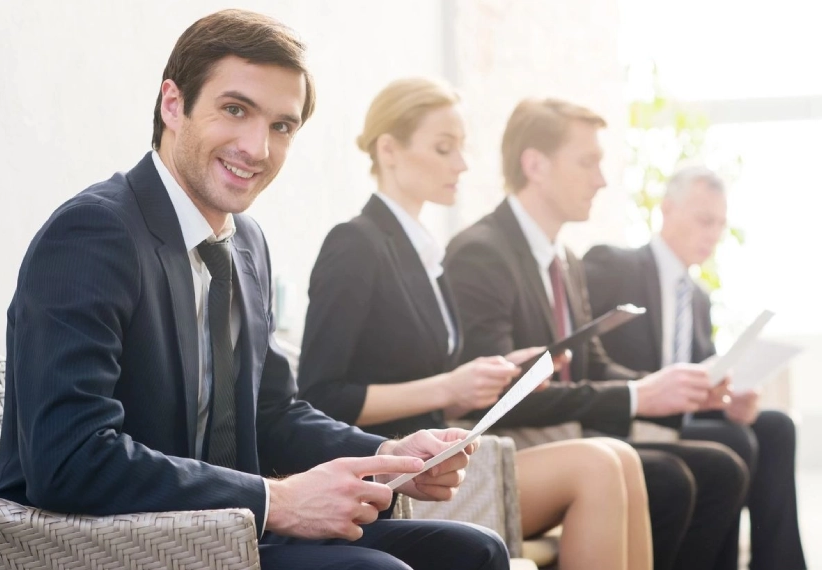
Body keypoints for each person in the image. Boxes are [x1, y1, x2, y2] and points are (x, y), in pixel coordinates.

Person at [0, 10, 509, 570]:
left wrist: (386, 454)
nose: (257, 148)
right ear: (172, 104)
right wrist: (276, 500)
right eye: (235, 110)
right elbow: (69, 458)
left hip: (224, 525)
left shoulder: (246, 243)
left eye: (282, 126)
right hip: (112, 542)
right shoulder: (94, 233)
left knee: (474, 552)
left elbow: (275, 414)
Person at [298, 77, 653, 570]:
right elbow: (321, 394)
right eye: (444, 149)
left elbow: (433, 372)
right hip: (391, 476)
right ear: (389, 150)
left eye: (461, 149)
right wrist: (449, 387)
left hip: (439, 461)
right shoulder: (355, 244)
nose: (461, 165)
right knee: (597, 466)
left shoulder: (424, 255)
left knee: (621, 458)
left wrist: (499, 371)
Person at [443, 98, 750, 570]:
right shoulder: (481, 252)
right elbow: (498, 398)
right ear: (535, 165)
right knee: (675, 478)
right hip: (518, 442)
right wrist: (636, 395)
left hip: (569, 432)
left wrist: (671, 390)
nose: (602, 180)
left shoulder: (564, 258)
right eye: (588, 162)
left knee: (721, 467)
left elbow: (594, 363)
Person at [583, 165, 806, 570]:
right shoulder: (615, 265)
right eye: (705, 220)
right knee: (733, 441)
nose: (713, 234)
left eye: (720, 224)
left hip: (683, 420)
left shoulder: (699, 299)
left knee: (775, 427)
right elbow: (588, 361)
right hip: (631, 416)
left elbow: (708, 375)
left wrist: (729, 401)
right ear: (667, 210)